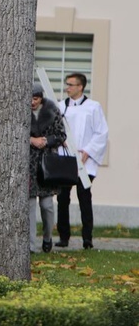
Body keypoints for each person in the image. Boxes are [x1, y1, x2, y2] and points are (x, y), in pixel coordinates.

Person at [55, 73, 109, 250]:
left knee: (84, 197)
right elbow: (55, 128)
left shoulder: (93, 107)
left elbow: (101, 132)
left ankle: (87, 238)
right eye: (67, 84)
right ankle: (64, 236)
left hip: (85, 160)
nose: (67, 88)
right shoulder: (61, 106)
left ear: (80, 87)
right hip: (65, 158)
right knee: (63, 198)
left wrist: (88, 151)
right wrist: (60, 139)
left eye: (71, 85)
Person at [29, 83, 66, 253]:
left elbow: (61, 134)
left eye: (35, 98)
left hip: (46, 163)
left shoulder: (52, 109)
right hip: (27, 164)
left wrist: (45, 141)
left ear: (41, 98)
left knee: (47, 206)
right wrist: (31, 140)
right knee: (28, 206)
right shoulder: (18, 110)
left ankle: (47, 237)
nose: (32, 102)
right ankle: (29, 245)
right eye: (29, 98)